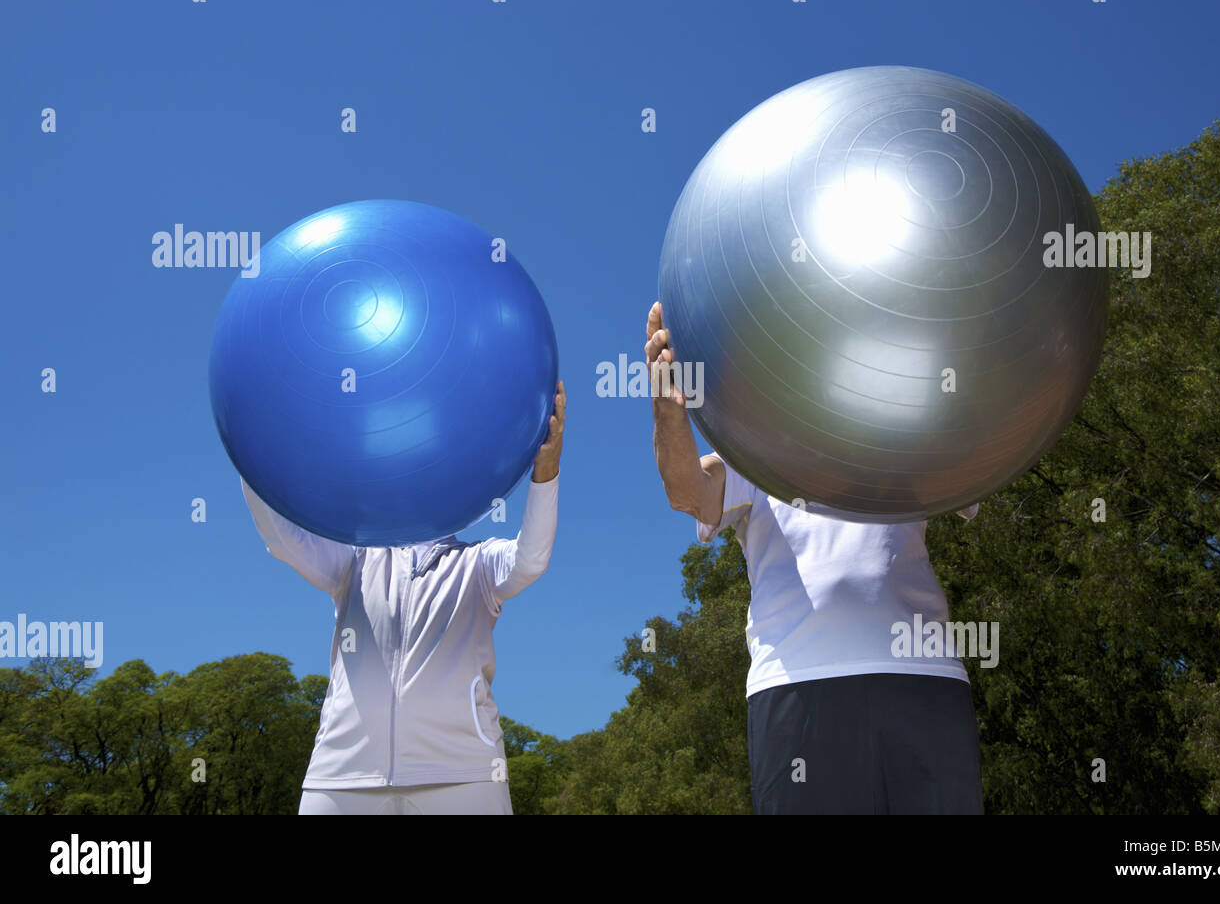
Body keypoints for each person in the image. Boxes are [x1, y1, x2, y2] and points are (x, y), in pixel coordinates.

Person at [644, 302, 983, 814]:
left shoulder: (904, 432)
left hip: (924, 679)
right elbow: (687, 491)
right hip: (798, 687)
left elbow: (972, 479)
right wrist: (668, 408)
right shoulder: (752, 450)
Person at [241, 382, 565, 815]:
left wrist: (546, 469)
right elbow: (284, 541)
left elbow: (531, 559)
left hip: (463, 774)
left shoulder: (478, 565)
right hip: (343, 778)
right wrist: (249, 453)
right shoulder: (354, 560)